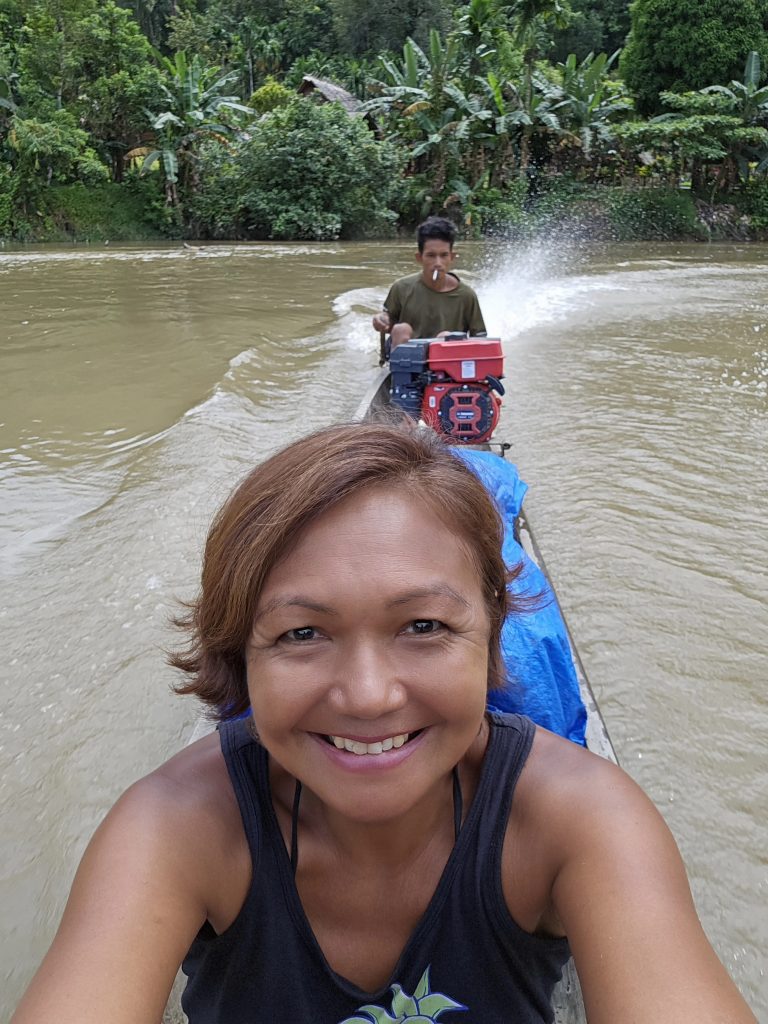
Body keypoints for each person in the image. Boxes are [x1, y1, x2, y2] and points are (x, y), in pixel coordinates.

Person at [11, 423, 757, 1024]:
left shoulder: (578, 822)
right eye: (302, 635)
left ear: (492, 634)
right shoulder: (178, 830)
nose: (368, 696)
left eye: (424, 625)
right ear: (241, 658)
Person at [372, 217, 487, 350]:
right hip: (407, 358)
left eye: (444, 255)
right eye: (431, 256)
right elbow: (389, 321)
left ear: (452, 257)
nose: (438, 263)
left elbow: (479, 337)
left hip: (445, 358)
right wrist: (381, 319)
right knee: (401, 329)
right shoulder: (402, 288)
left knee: (445, 336)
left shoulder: (466, 296)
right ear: (419, 258)